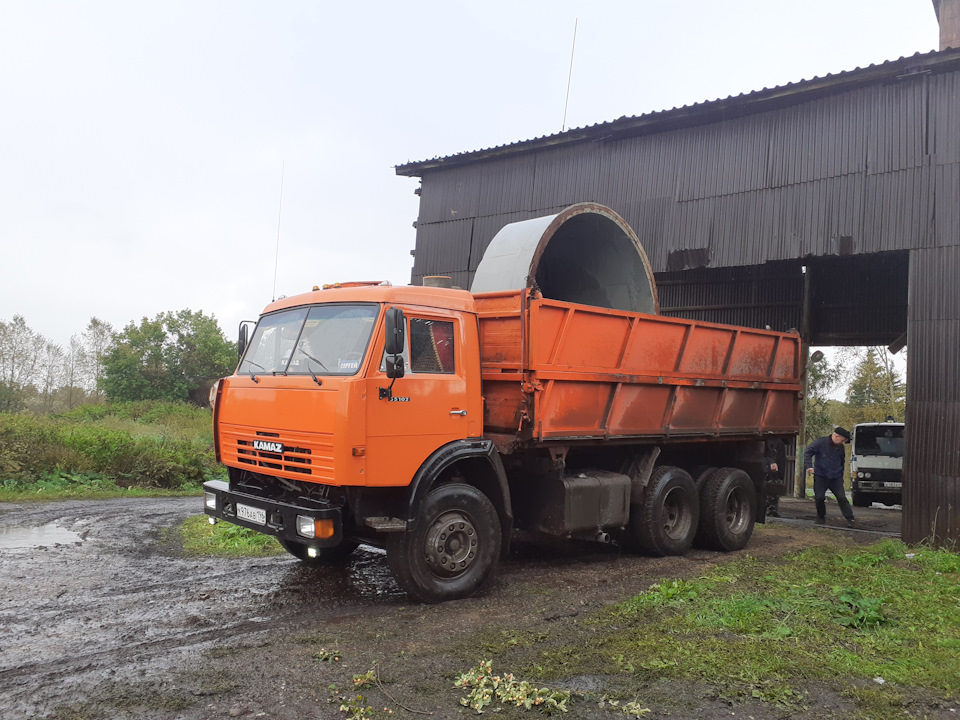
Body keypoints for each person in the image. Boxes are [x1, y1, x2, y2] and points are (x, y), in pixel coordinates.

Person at [803, 427, 854, 527]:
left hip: (836, 477)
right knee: (819, 497)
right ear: (836, 436)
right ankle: (821, 517)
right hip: (821, 476)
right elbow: (807, 453)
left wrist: (841, 475)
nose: (842, 443)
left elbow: (841, 462)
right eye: (842, 440)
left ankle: (850, 518)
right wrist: (809, 466)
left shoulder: (840, 447)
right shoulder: (820, 443)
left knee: (842, 497)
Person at [764, 438, 787, 517]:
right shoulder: (775, 442)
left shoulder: (778, 442)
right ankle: (771, 509)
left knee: (773, 487)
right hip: (772, 467)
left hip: (774, 468)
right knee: (771, 486)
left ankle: (772, 509)